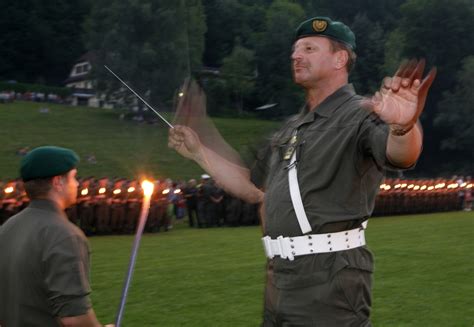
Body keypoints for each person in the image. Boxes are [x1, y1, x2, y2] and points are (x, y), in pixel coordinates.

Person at [169, 16, 436, 326]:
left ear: (340, 58)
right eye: (295, 50)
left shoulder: (360, 114)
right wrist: (199, 152)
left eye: (309, 48)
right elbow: (251, 185)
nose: (296, 56)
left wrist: (403, 126)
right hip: (280, 277)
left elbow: (401, 154)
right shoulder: (292, 128)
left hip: (330, 279)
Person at [0, 146, 114, 326]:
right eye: (74, 177)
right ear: (57, 182)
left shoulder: (8, 227)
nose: (77, 184)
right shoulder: (64, 234)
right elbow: (74, 317)